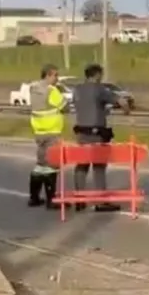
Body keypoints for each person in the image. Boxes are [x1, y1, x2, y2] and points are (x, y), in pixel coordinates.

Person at [70, 63, 120, 212]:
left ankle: (79, 198)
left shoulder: (77, 90)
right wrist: (125, 108)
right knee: (99, 166)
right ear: (97, 75)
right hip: (96, 133)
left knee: (82, 165)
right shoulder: (99, 89)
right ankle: (101, 201)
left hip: (81, 133)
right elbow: (119, 101)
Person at [27, 64, 67, 208]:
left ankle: (34, 197)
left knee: (40, 164)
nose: (57, 78)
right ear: (48, 75)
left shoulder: (34, 88)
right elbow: (64, 106)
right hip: (52, 131)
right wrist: (61, 93)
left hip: (38, 130)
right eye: (55, 75)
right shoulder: (52, 90)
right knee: (52, 166)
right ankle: (51, 200)